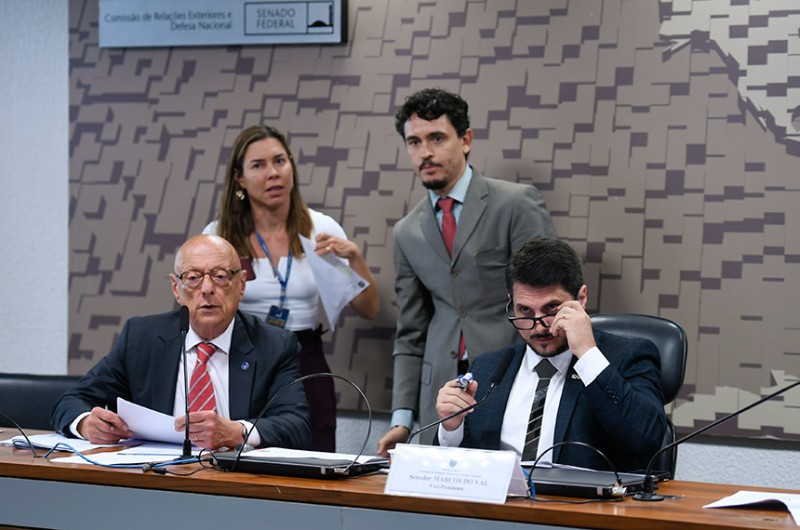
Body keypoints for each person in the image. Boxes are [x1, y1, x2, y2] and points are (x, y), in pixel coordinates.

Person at [378, 88, 556, 455]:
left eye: (436, 138)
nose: (425, 152)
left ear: (466, 140)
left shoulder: (515, 204)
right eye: (414, 142)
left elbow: (547, 304)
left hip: (510, 378)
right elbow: (411, 332)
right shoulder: (406, 231)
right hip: (437, 396)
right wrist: (402, 418)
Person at [204, 125, 379, 452]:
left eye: (280, 161)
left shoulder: (320, 228)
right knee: (242, 460)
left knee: (312, 458)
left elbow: (369, 308)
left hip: (305, 358)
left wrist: (355, 259)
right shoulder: (219, 236)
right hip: (243, 358)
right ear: (239, 179)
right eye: (258, 166)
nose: (273, 174)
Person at [51, 234, 312, 450]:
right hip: (157, 483)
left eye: (220, 276)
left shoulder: (274, 346)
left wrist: (238, 431)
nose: (207, 289)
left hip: (238, 486)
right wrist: (85, 423)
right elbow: (71, 400)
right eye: (193, 278)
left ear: (241, 285)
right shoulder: (141, 338)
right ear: (176, 288)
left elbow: (297, 425)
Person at [434, 237, 669, 471]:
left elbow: (646, 441)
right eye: (525, 310)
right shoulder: (490, 367)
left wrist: (587, 354)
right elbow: (458, 470)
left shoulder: (627, 356)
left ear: (581, 299)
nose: (540, 326)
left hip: (582, 505)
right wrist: (451, 428)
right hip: (502, 504)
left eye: (552, 308)